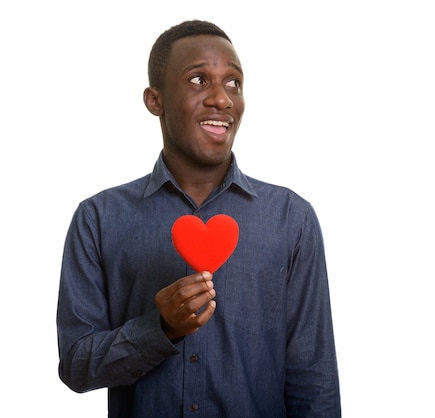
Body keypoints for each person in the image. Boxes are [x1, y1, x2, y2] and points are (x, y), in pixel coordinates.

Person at [56, 20, 341, 417]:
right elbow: (75, 365)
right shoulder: (99, 219)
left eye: (234, 83)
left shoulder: (291, 219)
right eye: (198, 80)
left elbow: (315, 380)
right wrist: (159, 330)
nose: (222, 99)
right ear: (155, 100)